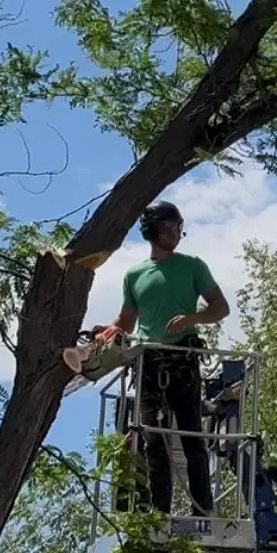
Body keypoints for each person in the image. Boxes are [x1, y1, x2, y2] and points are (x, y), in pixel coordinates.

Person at [95, 200, 229, 516]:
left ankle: (202, 512)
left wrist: (190, 319)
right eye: (168, 225)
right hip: (148, 364)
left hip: (182, 364)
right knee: (153, 441)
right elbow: (126, 320)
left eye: (178, 226)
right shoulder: (135, 274)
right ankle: (159, 514)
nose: (175, 232)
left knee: (192, 436)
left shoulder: (192, 266)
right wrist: (107, 332)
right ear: (152, 229)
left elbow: (220, 308)